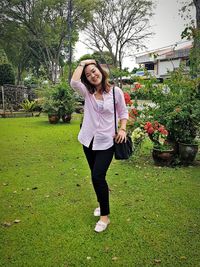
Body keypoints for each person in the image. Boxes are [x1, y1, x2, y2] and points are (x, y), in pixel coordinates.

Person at [70, 59, 128, 233]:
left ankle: (105, 217)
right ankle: (101, 205)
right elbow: (74, 82)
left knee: (97, 176)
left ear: (101, 72)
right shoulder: (87, 93)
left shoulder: (116, 92)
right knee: (96, 176)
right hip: (88, 141)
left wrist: (123, 129)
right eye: (88, 75)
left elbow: (123, 112)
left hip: (106, 142)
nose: (92, 75)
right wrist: (84, 63)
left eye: (94, 71)